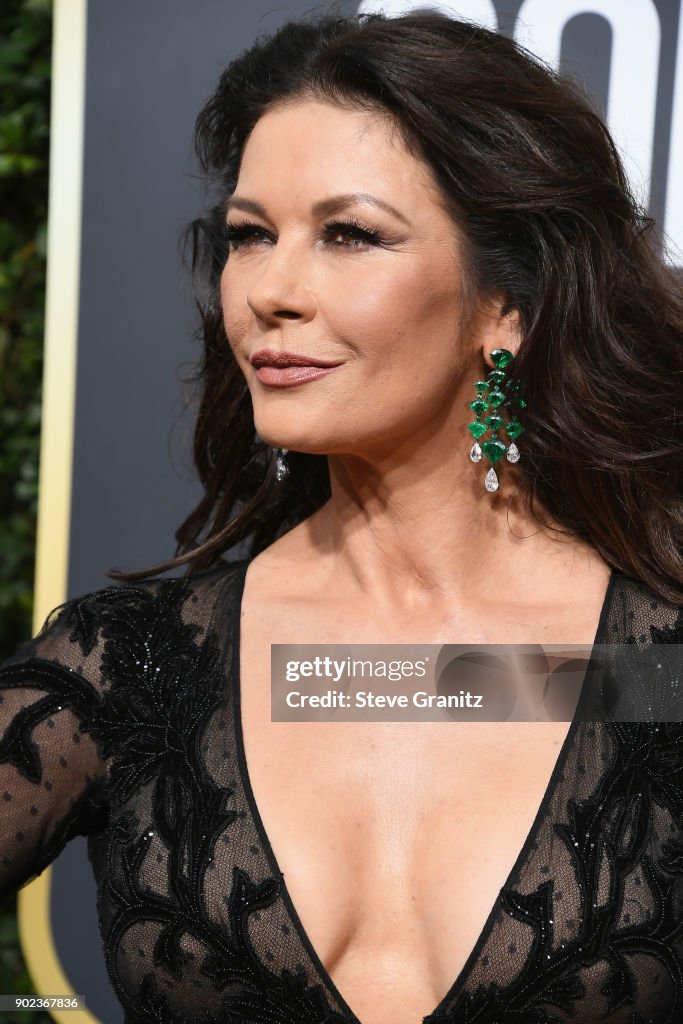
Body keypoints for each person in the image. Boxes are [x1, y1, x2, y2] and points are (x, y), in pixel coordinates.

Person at [1, 9, 682, 1024]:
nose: (269, 289)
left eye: (349, 234)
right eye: (247, 236)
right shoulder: (134, 667)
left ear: (505, 305)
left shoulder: (652, 674)